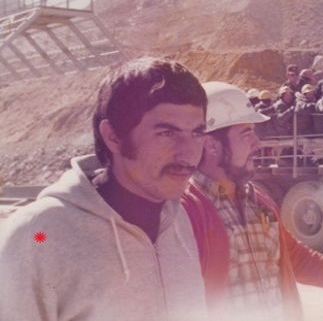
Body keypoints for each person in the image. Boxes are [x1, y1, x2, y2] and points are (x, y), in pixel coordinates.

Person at [0, 58, 209, 321]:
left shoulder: (180, 219)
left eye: (197, 133)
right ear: (113, 136)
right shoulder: (36, 235)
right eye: (167, 133)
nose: (188, 154)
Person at [182, 81, 323, 321]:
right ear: (211, 145)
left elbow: (297, 260)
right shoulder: (184, 212)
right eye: (246, 133)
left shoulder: (259, 202)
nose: (257, 143)